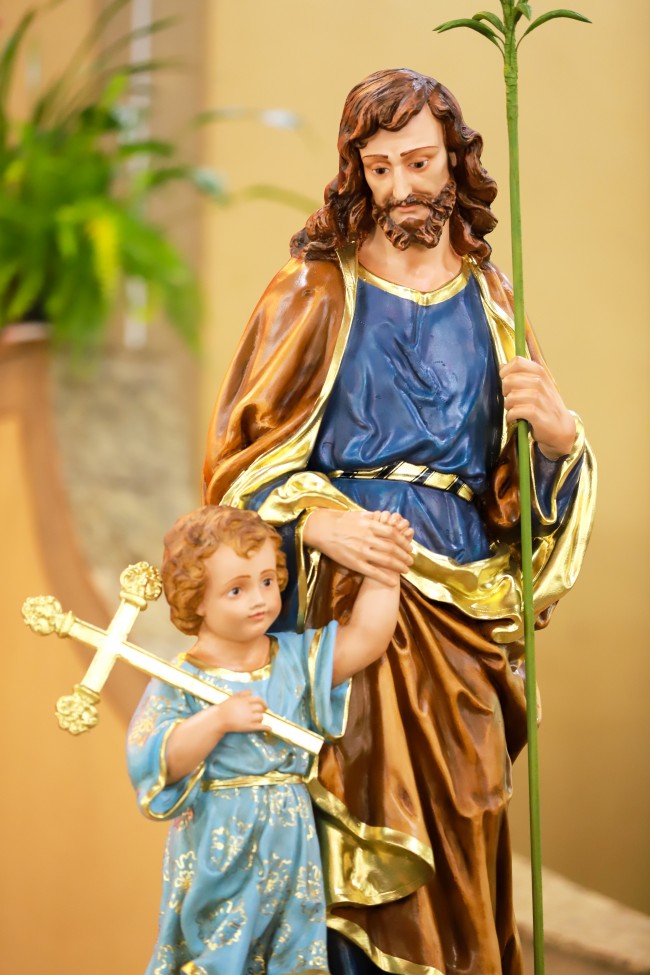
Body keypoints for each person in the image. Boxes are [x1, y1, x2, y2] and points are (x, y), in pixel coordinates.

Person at [202, 69, 596, 975]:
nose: (401, 188)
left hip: (463, 603)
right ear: (357, 172)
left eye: (419, 162)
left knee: (465, 821)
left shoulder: (493, 299)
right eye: (379, 169)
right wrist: (314, 523)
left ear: (455, 159)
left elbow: (519, 496)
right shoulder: (314, 290)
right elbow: (239, 466)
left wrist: (557, 441)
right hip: (348, 593)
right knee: (351, 826)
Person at [127, 504, 411, 975]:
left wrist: (387, 565)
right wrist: (217, 720)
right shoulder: (180, 679)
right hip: (220, 837)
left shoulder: (293, 660)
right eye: (236, 590)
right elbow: (156, 758)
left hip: (291, 833)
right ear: (197, 598)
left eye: (266, 581)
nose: (259, 599)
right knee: (220, 949)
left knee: (292, 949)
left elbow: (365, 638)